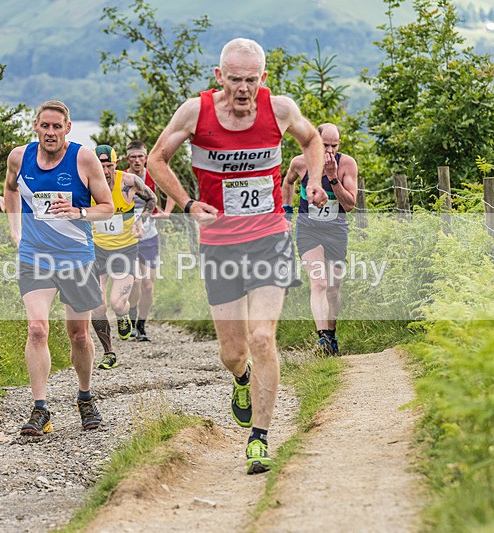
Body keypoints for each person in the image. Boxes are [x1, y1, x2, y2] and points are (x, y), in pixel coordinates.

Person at [148, 38, 327, 475]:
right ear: (219, 76)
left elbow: (312, 139)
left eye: (251, 80)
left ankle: (259, 438)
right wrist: (188, 204)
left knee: (263, 337)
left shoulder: (279, 109)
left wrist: (314, 180)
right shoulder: (195, 112)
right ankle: (242, 379)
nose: (243, 89)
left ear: (263, 78)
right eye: (234, 80)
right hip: (220, 244)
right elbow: (156, 159)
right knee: (233, 352)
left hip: (269, 238)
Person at [3, 100, 114, 436]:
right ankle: (40, 409)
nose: (50, 132)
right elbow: (10, 189)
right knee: (37, 329)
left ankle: (85, 396)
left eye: (57, 126)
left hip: (76, 257)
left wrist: (80, 213)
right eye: (45, 126)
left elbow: (108, 207)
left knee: (78, 334)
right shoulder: (19, 157)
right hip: (35, 256)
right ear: (35, 126)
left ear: (67, 128)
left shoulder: (84, 159)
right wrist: (15, 231)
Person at [282, 123, 358, 356]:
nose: (330, 151)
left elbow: (350, 205)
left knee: (333, 289)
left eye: (335, 145)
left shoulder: (347, 165)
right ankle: (323, 338)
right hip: (309, 230)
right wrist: (286, 212)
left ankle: (332, 336)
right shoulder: (300, 163)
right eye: (325, 145)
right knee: (319, 283)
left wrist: (333, 178)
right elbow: (288, 182)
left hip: (336, 231)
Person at [90, 144, 156, 369]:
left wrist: (140, 220)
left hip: (125, 250)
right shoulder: (86, 184)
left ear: (116, 164)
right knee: (97, 306)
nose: (105, 171)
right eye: (100, 166)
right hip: (97, 250)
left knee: (117, 304)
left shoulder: (128, 181)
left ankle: (123, 315)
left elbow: (151, 199)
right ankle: (109, 352)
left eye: (109, 165)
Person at [124, 140, 175, 342]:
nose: (137, 161)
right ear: (127, 159)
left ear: (146, 158)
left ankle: (141, 325)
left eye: (140, 157)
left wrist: (167, 213)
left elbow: (172, 191)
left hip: (150, 236)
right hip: (128, 237)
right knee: (136, 281)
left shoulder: (152, 176)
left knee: (148, 285)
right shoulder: (123, 178)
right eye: (133, 157)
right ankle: (132, 315)